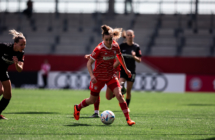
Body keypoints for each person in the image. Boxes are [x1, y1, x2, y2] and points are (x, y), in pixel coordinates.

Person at [74, 25, 135, 126]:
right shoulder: (99, 49)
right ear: (103, 39)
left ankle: (128, 120)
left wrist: (126, 69)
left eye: (110, 39)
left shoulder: (115, 46)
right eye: (106, 40)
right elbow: (89, 63)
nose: (109, 42)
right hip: (98, 77)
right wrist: (92, 76)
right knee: (92, 100)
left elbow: (120, 57)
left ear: (112, 38)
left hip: (111, 75)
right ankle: (78, 107)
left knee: (119, 95)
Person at [0, 30, 26, 119]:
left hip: (3, 71)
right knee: (0, 91)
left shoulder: (21, 54)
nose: (23, 47)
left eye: (24, 44)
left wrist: (16, 64)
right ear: (15, 43)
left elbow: (20, 70)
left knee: (7, 95)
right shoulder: (4, 47)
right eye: (21, 44)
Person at [119, 30, 142, 112]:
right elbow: (117, 56)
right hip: (122, 70)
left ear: (133, 36)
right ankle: (121, 98)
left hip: (131, 71)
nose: (129, 36)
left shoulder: (136, 47)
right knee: (120, 86)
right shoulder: (122, 46)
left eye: (130, 35)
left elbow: (139, 60)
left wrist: (134, 56)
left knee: (128, 90)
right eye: (128, 35)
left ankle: (126, 106)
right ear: (126, 36)